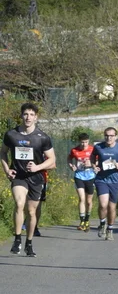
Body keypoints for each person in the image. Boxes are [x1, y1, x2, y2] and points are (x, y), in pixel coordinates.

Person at [1, 103, 56, 257]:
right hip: (19, 176)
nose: (28, 117)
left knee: (31, 212)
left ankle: (29, 243)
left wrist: (37, 167)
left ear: (36, 117)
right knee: (19, 204)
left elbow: (52, 160)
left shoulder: (42, 137)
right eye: (25, 114)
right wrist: (7, 170)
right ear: (21, 116)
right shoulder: (11, 134)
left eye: (32, 114)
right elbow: (3, 152)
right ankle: (17, 238)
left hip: (36, 178)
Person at [91, 127, 118, 240]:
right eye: (107, 135)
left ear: (115, 136)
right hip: (101, 179)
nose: (109, 138)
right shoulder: (98, 147)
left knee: (112, 207)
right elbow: (92, 157)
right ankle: (102, 223)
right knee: (103, 205)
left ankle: (110, 229)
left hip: (115, 180)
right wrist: (94, 166)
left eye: (111, 136)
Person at [69, 132, 96, 232]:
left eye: (86, 142)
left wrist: (92, 164)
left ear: (88, 141)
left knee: (88, 201)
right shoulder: (74, 150)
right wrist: (71, 166)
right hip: (79, 176)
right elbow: (69, 158)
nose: (84, 144)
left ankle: (87, 220)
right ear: (79, 142)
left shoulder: (92, 149)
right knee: (81, 198)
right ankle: (82, 221)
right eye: (82, 142)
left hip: (90, 177)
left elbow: (97, 161)